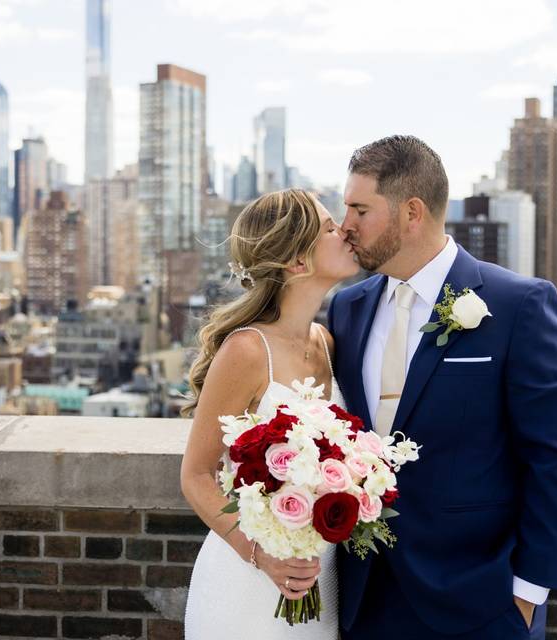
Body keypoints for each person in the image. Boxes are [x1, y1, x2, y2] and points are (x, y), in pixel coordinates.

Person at [328, 135, 557, 640]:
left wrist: (528, 593)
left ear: (412, 212)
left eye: (361, 209)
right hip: (364, 601)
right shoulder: (348, 308)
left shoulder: (520, 306)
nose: (347, 226)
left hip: (482, 603)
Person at [180, 189, 359, 639]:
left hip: (321, 577)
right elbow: (196, 475)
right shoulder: (246, 350)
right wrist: (261, 554)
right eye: (330, 228)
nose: (346, 232)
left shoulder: (327, 342)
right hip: (250, 584)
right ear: (298, 262)